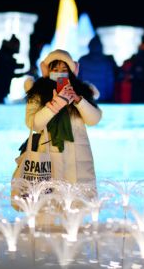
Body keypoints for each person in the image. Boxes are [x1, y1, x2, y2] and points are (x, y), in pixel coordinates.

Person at [25, 49, 101, 193]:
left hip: (78, 160)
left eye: (64, 69)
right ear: (47, 71)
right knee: (48, 207)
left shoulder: (80, 90)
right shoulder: (37, 92)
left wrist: (79, 100)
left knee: (78, 208)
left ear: (71, 72)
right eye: (55, 69)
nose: (60, 73)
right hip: (48, 159)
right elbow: (34, 124)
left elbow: (94, 119)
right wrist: (56, 103)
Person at [0, 34, 25, 104]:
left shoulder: (4, 54)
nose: (18, 48)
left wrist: (21, 68)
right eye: (17, 45)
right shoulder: (4, 56)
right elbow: (8, 72)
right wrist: (24, 71)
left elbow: (10, 69)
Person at [78, 34, 117, 103]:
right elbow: (110, 81)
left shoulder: (82, 60)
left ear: (89, 46)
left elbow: (78, 79)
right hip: (104, 97)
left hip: (87, 97)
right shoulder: (106, 61)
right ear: (101, 46)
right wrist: (110, 97)